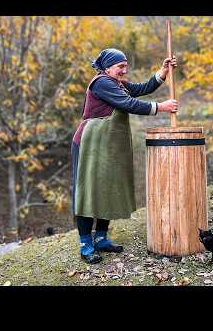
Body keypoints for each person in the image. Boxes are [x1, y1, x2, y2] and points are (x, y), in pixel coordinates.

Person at [71, 48, 178, 263]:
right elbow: (128, 104)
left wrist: (163, 72)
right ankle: (85, 244)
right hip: (89, 144)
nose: (124, 69)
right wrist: (161, 107)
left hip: (108, 146)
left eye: (125, 65)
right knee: (87, 192)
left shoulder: (116, 84)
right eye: (120, 66)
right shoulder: (101, 83)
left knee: (106, 189)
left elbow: (141, 89)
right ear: (108, 67)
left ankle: (100, 238)